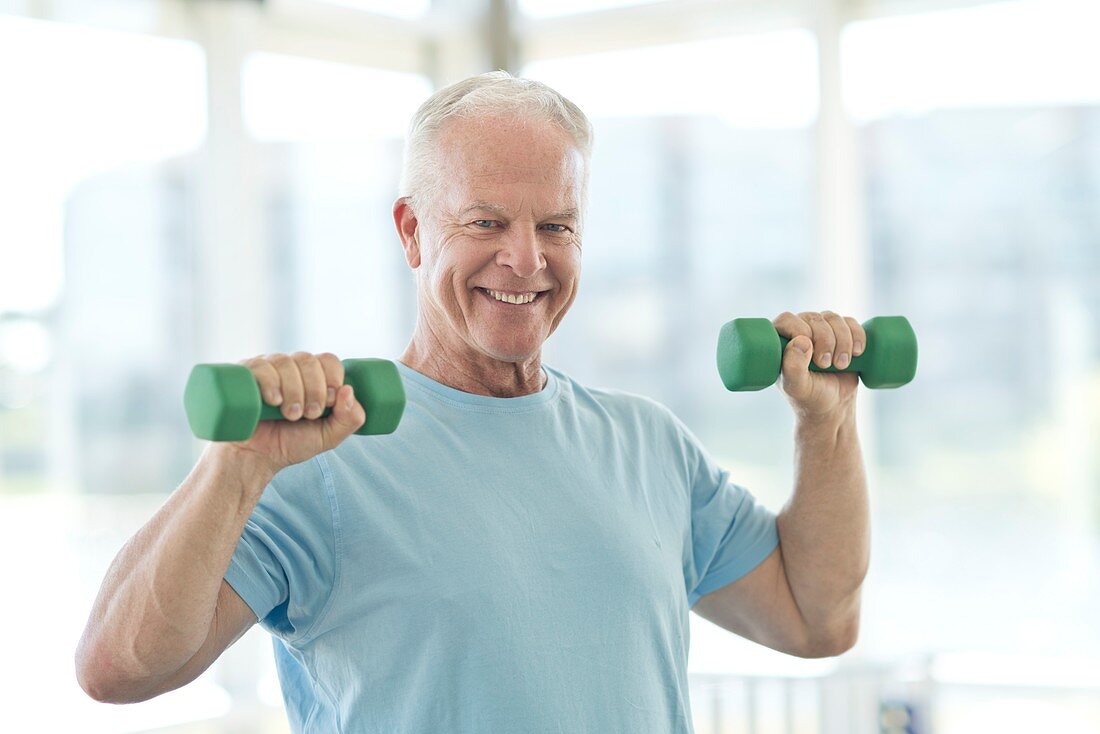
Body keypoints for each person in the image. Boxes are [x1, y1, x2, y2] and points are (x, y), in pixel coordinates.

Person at [76, 71, 869, 733]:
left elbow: (815, 617)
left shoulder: (647, 444)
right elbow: (118, 669)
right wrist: (234, 471)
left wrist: (827, 422)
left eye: (556, 225)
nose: (525, 260)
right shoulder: (317, 456)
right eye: (486, 221)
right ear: (413, 231)